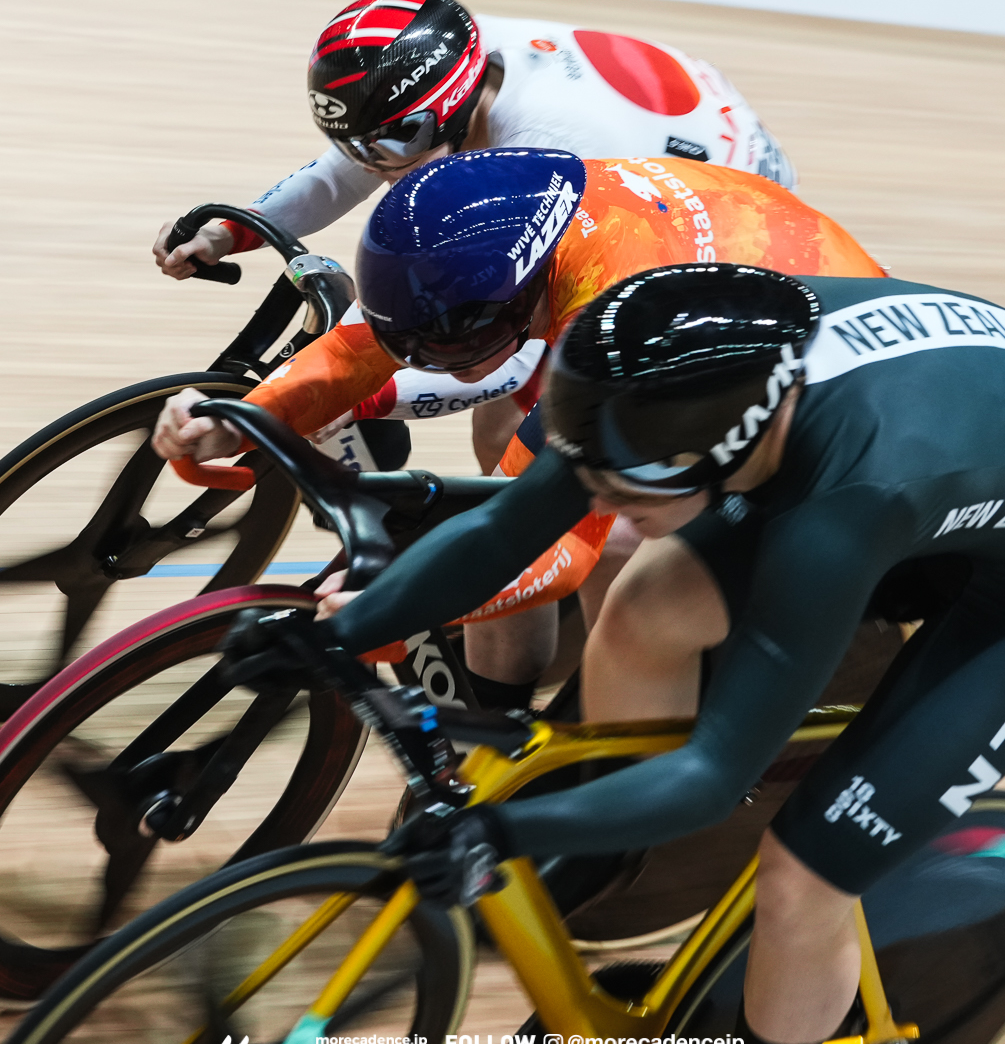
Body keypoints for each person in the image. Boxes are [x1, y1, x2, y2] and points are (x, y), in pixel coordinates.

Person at [225, 263, 1005, 1044]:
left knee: (807, 870)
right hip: (956, 464)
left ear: (733, 444)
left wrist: (497, 831)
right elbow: (509, 528)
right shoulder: (655, 389)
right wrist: (336, 631)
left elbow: (719, 771)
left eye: (626, 484)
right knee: (643, 601)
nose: (599, 500)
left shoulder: (839, 504)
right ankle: (625, 854)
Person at [155, 148, 885, 703]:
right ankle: (497, 726)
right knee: (497, 509)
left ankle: (643, 740)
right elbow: (354, 353)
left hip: (827, 386)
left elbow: (557, 540)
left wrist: (413, 597)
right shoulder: (491, 237)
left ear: (514, 299)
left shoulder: (600, 309)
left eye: (442, 348)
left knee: (621, 545)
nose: (419, 363)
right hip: (723, 289)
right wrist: (247, 419)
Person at [154, 0, 801, 469]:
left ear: (458, 108)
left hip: (724, 193)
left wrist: (361, 396)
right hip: (672, 110)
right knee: (498, 434)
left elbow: (509, 355)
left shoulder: (549, 147)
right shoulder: (437, 64)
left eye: (397, 143)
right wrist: (231, 232)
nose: (381, 168)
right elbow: (348, 166)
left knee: (542, 412)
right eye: (363, 144)